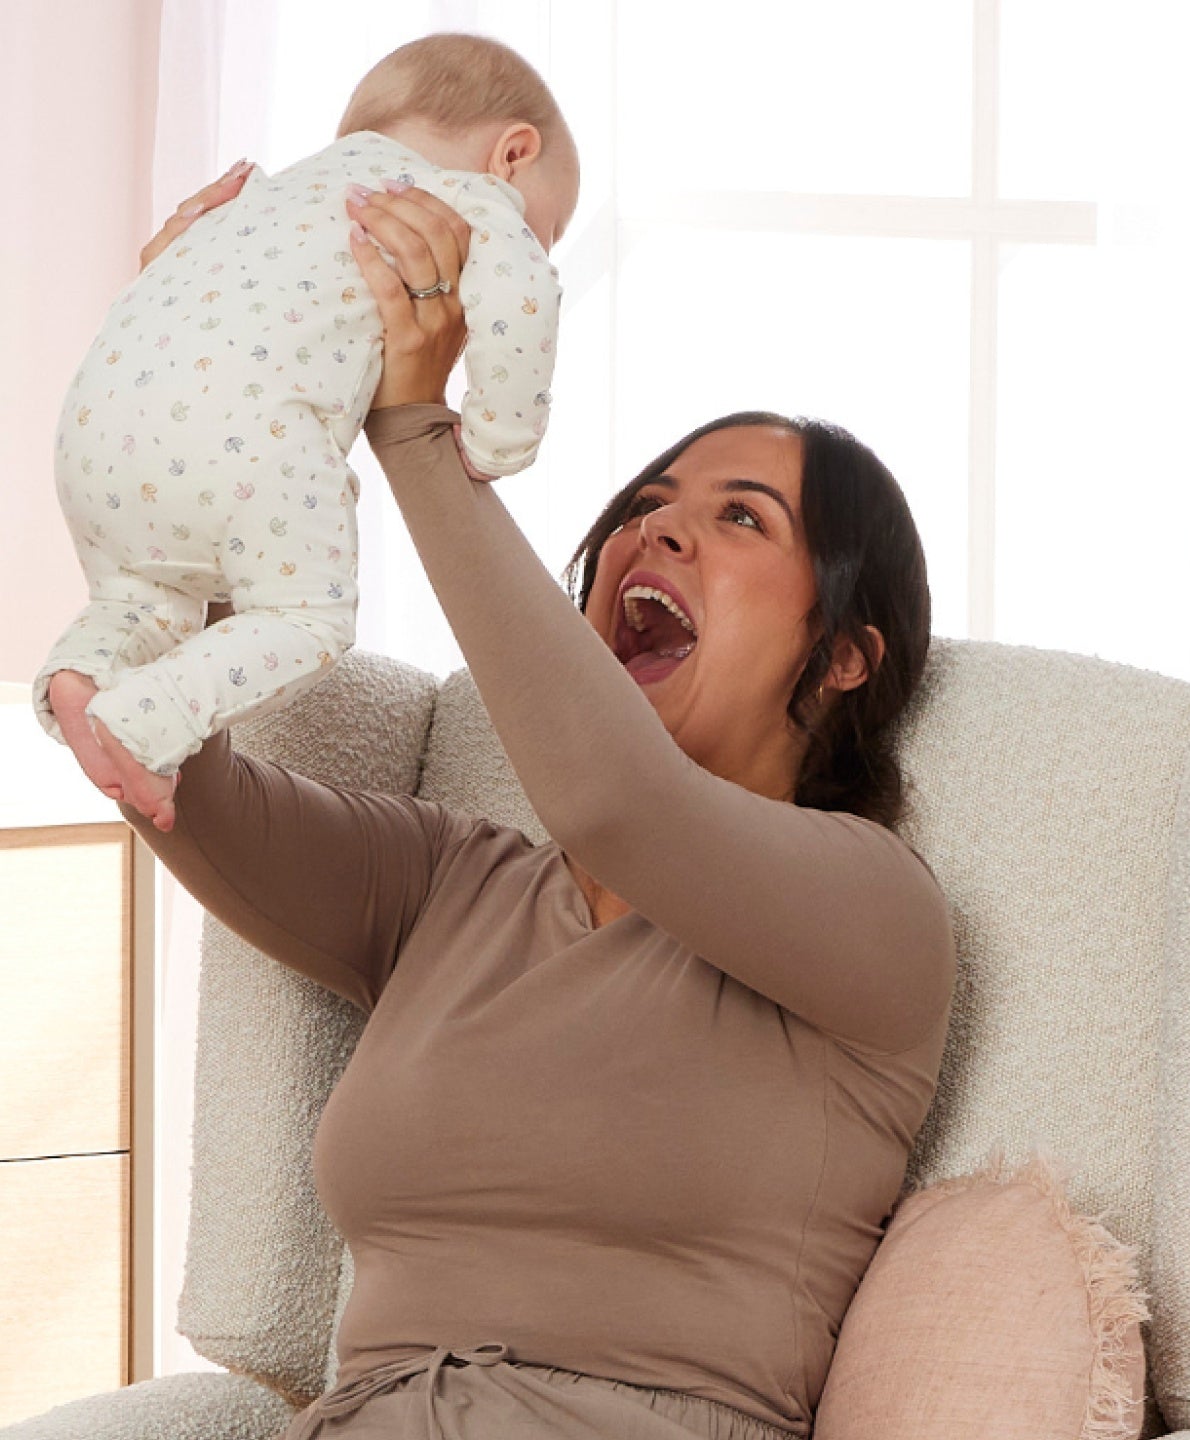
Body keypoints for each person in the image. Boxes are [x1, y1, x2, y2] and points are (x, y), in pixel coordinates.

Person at [122, 172, 956, 1439]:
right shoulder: (449, 884)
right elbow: (168, 767)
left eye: (739, 519)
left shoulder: (874, 912)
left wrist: (415, 427)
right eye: (642, 510)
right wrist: (184, 409)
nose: (655, 536)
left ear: (844, 656)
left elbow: (620, 803)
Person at [34, 33, 580, 836]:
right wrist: (500, 438)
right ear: (513, 154)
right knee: (305, 619)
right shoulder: (460, 194)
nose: (532, 240)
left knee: (144, 595)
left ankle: (85, 670)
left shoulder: (265, 197)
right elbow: (523, 298)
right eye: (548, 224)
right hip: (245, 444)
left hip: (91, 440)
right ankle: (144, 717)